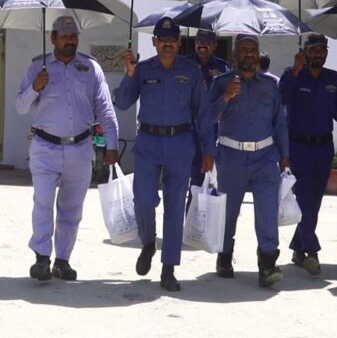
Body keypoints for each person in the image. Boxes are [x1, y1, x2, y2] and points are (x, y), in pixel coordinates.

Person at [15, 16, 119, 281]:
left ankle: (62, 260)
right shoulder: (37, 67)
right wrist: (34, 88)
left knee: (72, 209)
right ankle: (41, 258)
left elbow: (105, 108)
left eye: (73, 35)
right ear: (53, 38)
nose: (70, 40)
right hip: (44, 148)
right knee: (43, 202)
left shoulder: (91, 68)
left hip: (80, 148)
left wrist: (112, 143)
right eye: (64, 35)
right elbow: (19, 106)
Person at [115, 18, 214, 292]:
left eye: (173, 39)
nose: (168, 43)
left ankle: (169, 267)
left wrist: (209, 149)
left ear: (180, 42)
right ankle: (148, 243)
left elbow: (203, 113)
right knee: (144, 200)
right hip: (147, 142)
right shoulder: (143, 69)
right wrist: (130, 73)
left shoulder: (191, 71)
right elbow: (122, 102)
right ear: (154, 42)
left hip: (180, 143)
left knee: (174, 205)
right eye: (163, 39)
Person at [279, 33, 337, 276]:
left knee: (314, 202)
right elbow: (281, 98)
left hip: (323, 148)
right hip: (298, 148)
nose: (318, 54)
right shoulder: (293, 74)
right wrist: (295, 71)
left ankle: (298, 248)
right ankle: (312, 251)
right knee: (304, 199)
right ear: (305, 51)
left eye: (322, 50)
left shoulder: (333, 79)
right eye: (313, 49)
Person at [209, 34, 289, 287]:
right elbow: (205, 117)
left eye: (253, 49)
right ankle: (225, 255)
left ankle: (267, 262)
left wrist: (285, 157)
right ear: (235, 56)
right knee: (229, 212)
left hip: (265, 158)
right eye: (243, 50)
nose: (249, 54)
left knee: (267, 211)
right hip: (231, 157)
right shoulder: (221, 83)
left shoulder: (270, 85)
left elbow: (280, 123)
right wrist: (226, 97)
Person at [186, 30, 230, 195]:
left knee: (212, 178)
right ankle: (191, 217)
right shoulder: (185, 64)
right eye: (198, 41)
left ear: (215, 45)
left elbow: (229, 97)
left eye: (207, 41)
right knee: (191, 179)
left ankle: (209, 217)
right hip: (188, 127)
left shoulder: (223, 67)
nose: (202, 44)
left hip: (213, 128)